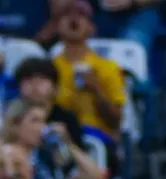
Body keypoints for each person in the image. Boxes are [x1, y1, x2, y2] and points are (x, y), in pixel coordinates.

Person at [52, 0, 126, 140]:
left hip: (99, 140)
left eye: (81, 14)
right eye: (66, 14)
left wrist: (97, 90)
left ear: (92, 28)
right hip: (61, 138)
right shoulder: (50, 68)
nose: (73, 19)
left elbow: (117, 121)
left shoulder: (108, 68)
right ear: (57, 26)